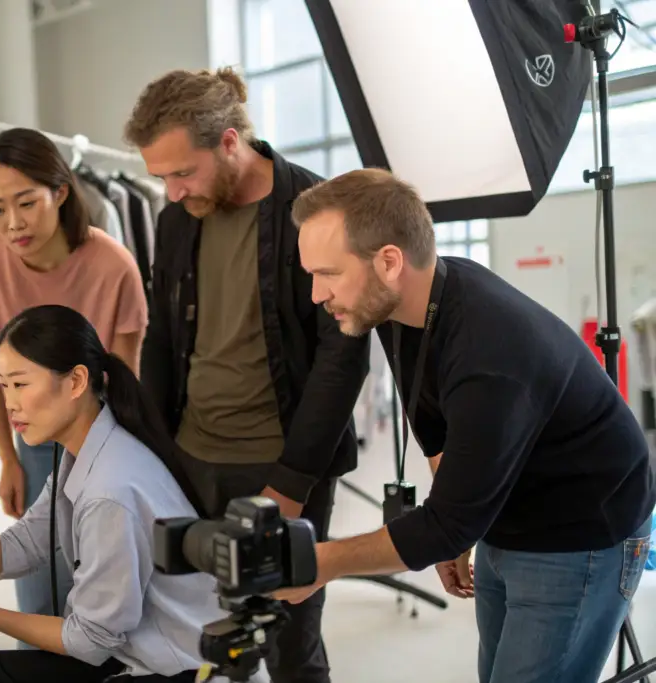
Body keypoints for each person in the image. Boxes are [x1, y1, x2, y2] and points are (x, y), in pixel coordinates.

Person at [279, 167, 656, 683]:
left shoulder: (488, 350)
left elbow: (446, 523)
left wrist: (322, 562)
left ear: (389, 262)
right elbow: (438, 433)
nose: (316, 294)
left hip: (582, 532)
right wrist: (454, 534)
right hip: (508, 512)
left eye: (327, 273)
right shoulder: (404, 306)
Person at [122, 66, 370, 683]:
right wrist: (153, 453)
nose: (172, 192)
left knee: (288, 646)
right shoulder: (176, 219)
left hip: (281, 465)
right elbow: (162, 338)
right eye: (161, 177)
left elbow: (343, 358)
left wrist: (292, 483)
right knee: (197, 634)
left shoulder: (315, 210)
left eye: (184, 172)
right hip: (193, 456)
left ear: (230, 141)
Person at [0, 305, 221, 683]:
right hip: (133, 656)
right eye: (4, 385)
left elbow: (90, 641)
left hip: (181, 672)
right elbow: (9, 555)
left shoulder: (110, 490)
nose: (10, 403)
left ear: (76, 381)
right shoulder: (85, 456)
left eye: (21, 384)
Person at [0, 128, 148, 628]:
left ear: (61, 192)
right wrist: (8, 458)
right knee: (39, 591)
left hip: (101, 437)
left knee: (104, 592)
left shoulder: (114, 265)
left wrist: (118, 470)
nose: (13, 223)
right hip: (32, 438)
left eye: (27, 203)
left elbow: (126, 382)